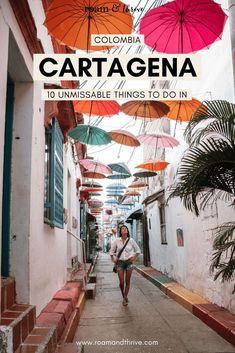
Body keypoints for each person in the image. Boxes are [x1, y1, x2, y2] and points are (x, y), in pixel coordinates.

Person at [109, 225, 141, 306]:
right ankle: (124, 296)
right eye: (122, 229)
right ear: (120, 231)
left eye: (125, 228)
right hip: (120, 263)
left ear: (127, 231)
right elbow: (111, 252)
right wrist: (113, 259)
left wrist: (134, 257)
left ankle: (124, 298)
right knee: (121, 282)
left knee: (127, 282)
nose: (124, 230)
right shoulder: (117, 240)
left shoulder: (131, 240)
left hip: (129, 263)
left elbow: (138, 250)